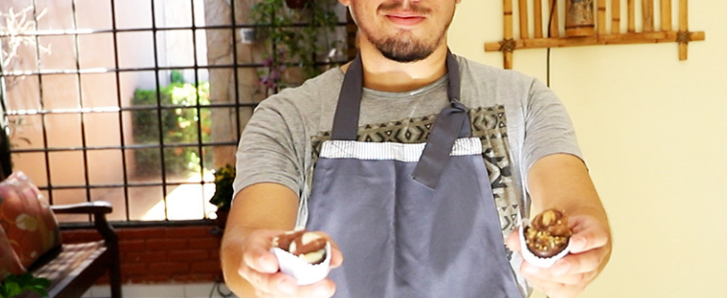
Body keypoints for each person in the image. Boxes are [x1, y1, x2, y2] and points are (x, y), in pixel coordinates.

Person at [220, 0, 612, 297]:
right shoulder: (286, 119)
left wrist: (583, 245)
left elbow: (572, 204)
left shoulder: (524, 102)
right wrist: (255, 265)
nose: (406, 0)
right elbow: (248, 237)